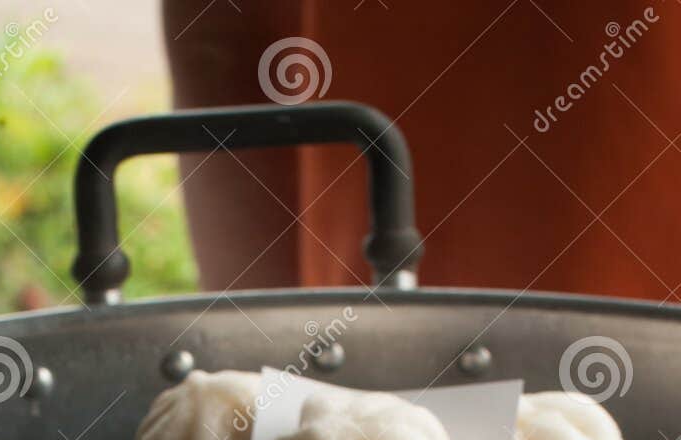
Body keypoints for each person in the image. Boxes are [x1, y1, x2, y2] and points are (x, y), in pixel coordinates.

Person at [163, 0, 674, 298]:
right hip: (369, 360)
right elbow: (222, 40)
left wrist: (269, 354)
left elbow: (222, 44)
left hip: (367, 348)